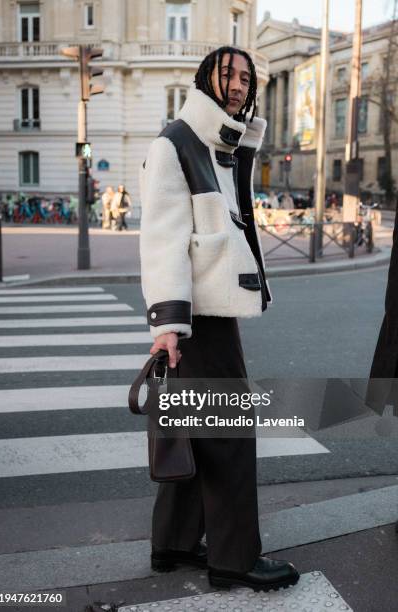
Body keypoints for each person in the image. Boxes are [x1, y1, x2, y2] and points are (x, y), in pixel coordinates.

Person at [139, 46, 299, 592]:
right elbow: (161, 240)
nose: (237, 84)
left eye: (245, 77)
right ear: (204, 78)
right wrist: (168, 326)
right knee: (230, 434)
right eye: (227, 74)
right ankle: (233, 558)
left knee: (201, 429)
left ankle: (175, 543)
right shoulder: (177, 142)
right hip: (197, 317)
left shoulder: (220, 145)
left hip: (208, 313)